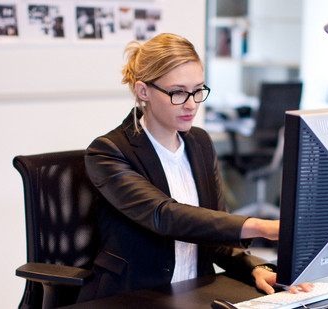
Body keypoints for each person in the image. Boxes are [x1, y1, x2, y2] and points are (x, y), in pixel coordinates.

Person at [79, 33, 312, 302]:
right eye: (178, 92)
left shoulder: (200, 142)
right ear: (143, 91)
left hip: (195, 293)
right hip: (133, 296)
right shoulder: (108, 152)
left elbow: (213, 231)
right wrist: (261, 227)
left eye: (198, 90)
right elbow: (165, 216)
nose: (192, 104)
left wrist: (255, 267)